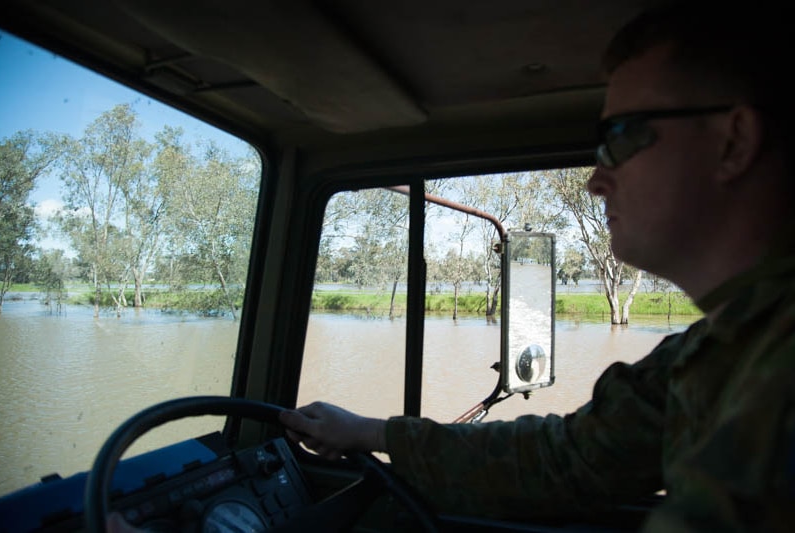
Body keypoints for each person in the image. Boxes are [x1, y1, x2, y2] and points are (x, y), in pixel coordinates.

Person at [278, 2, 795, 531]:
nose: (597, 180)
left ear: (733, 142)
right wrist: (370, 432)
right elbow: (565, 459)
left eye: (620, 137)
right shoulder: (708, 352)